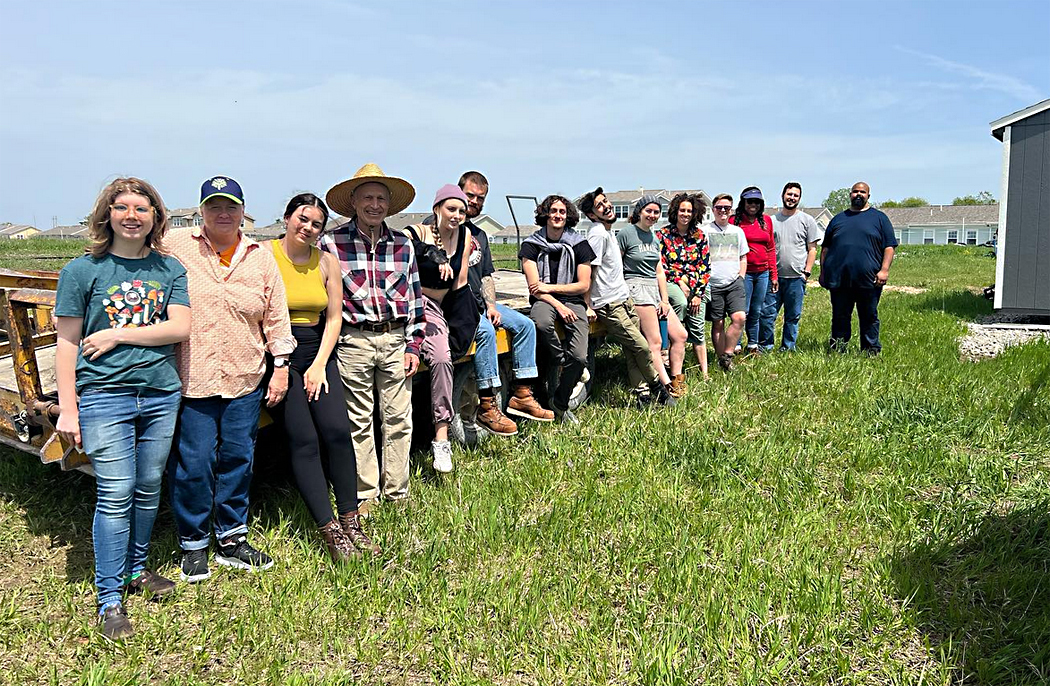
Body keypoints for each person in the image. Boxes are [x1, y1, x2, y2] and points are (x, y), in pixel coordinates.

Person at [54, 177, 190, 639]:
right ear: (106, 215)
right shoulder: (82, 271)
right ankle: (109, 599)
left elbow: (180, 328)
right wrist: (67, 409)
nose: (133, 216)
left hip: (159, 391)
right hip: (103, 395)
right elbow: (67, 343)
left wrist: (117, 334)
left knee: (149, 485)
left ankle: (136, 569)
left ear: (156, 217)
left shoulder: (168, 269)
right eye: (123, 208)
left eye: (143, 208)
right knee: (116, 491)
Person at [168, 176, 295, 583]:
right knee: (195, 463)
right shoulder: (176, 246)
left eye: (231, 207)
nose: (223, 214)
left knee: (238, 459)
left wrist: (281, 367)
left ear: (243, 212)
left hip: (244, 376)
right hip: (194, 377)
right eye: (213, 206)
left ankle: (231, 537)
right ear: (200, 210)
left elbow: (276, 315)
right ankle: (193, 542)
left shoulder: (259, 257)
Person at [267, 193, 378, 562]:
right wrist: (282, 366)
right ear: (286, 218)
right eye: (302, 218)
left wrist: (319, 365)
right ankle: (329, 530)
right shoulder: (265, 256)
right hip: (279, 354)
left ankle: (351, 519)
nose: (308, 227)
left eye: (316, 223)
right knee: (304, 440)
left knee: (337, 431)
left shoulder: (327, 262)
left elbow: (333, 318)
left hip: (317, 351)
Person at [321, 163, 424, 513]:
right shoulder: (331, 244)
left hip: (395, 339)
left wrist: (414, 345)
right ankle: (366, 495)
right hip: (353, 341)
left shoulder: (402, 245)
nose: (375, 205)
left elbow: (415, 299)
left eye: (381, 198)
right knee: (358, 422)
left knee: (398, 419)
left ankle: (397, 492)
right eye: (367, 197)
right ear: (353, 201)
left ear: (389, 205)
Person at [458, 171, 553, 435]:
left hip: (480, 303)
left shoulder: (481, 235)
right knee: (487, 332)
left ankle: (521, 394)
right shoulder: (447, 228)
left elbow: (486, 275)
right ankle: (487, 405)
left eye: (481, 198)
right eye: (470, 196)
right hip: (458, 306)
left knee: (525, 325)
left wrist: (491, 305)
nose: (475, 202)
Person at [577, 187, 675, 408]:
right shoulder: (597, 234)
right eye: (600, 205)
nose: (607, 206)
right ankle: (658, 388)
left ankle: (642, 396)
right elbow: (588, 271)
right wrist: (588, 305)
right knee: (641, 346)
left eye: (606, 201)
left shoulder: (608, 231)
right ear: (592, 215)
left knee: (632, 350)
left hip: (623, 298)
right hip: (609, 304)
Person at [402, 185, 474, 472]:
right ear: (437, 209)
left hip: (440, 308)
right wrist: (435, 254)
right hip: (413, 302)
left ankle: (441, 439)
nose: (456, 216)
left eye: (461, 211)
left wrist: (465, 319)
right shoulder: (417, 232)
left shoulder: (465, 235)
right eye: (451, 209)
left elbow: (461, 282)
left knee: (444, 358)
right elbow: (398, 244)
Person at [518, 195, 596, 423]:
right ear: (545, 214)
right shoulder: (531, 245)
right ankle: (561, 361)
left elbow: (584, 284)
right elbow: (535, 288)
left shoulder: (579, 244)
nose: (558, 215)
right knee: (541, 323)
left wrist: (553, 288)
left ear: (568, 216)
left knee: (580, 357)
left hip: (573, 300)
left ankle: (560, 403)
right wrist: (558, 304)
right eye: (553, 211)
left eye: (562, 211)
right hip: (545, 300)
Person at [619, 195, 688, 397]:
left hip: (654, 289)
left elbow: (659, 271)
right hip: (636, 287)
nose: (652, 215)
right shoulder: (626, 234)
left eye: (656, 212)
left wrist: (665, 300)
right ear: (639, 212)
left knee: (680, 335)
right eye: (648, 211)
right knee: (655, 342)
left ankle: (676, 379)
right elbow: (616, 266)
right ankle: (664, 386)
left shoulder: (654, 237)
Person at [819, 181, 897, 355]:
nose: (859, 194)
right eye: (855, 191)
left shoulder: (879, 218)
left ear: (869, 195)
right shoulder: (838, 219)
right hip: (840, 280)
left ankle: (871, 350)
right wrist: (823, 273)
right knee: (840, 316)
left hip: (869, 280)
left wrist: (884, 270)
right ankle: (838, 348)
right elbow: (826, 248)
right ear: (850, 195)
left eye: (863, 192)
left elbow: (889, 246)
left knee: (869, 317)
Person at [760, 182, 823, 351]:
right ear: (783, 195)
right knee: (767, 314)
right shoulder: (772, 221)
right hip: (774, 278)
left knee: (792, 316)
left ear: (799, 198)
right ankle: (766, 347)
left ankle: (788, 347)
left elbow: (812, 249)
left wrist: (806, 273)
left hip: (796, 278)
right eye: (789, 194)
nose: (792, 198)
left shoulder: (807, 220)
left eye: (795, 195)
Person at [658, 192, 711, 379]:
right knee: (679, 304)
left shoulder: (699, 236)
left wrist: (697, 294)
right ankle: (671, 361)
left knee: (697, 328)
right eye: (682, 210)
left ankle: (704, 373)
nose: (686, 214)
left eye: (689, 211)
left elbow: (705, 266)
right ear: (675, 211)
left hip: (697, 287)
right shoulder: (663, 235)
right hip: (672, 282)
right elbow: (661, 265)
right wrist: (680, 280)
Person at [729, 187, 777, 353]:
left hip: (763, 272)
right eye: (750, 201)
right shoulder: (734, 221)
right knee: (743, 310)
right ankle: (736, 344)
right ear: (743, 202)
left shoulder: (766, 221)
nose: (753, 205)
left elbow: (771, 248)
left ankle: (753, 345)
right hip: (744, 273)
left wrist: (773, 275)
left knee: (757, 310)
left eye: (757, 202)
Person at [705, 193, 749, 372]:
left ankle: (728, 355)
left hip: (734, 282)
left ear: (731, 210)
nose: (723, 211)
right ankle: (720, 359)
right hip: (713, 283)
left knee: (739, 318)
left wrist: (741, 276)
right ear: (713, 209)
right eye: (719, 208)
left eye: (727, 208)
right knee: (718, 323)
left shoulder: (737, 231)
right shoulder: (705, 231)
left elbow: (743, 256)